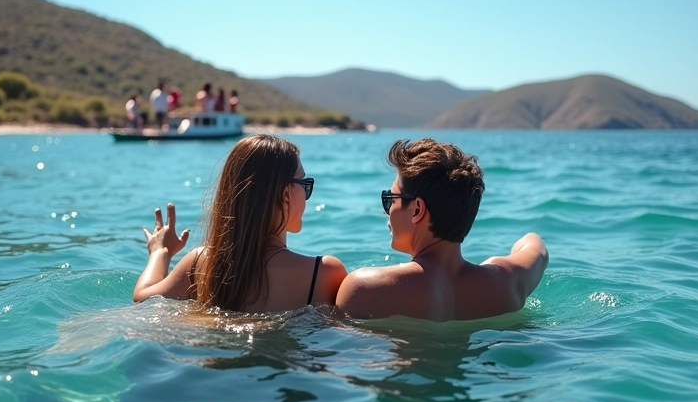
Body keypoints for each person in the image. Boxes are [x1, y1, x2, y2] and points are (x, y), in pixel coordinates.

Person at [336, 138, 548, 321]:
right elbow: (537, 249)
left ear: (417, 209)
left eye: (391, 199)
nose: (387, 211)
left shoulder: (364, 289)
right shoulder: (507, 283)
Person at [133, 135, 347, 310]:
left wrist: (160, 252)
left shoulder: (200, 264)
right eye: (305, 183)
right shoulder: (323, 273)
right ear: (285, 194)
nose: (307, 192)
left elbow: (143, 299)